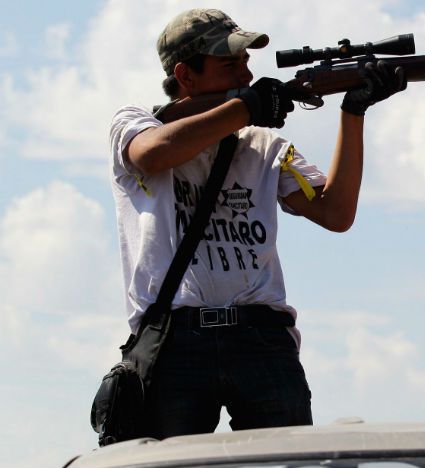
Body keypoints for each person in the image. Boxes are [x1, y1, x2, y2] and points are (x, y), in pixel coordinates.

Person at [108, 8, 406, 438]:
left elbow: (336, 213)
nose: (246, 76)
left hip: (261, 337)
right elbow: (153, 154)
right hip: (175, 339)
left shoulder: (265, 145)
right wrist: (247, 108)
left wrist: (353, 112)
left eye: (246, 63)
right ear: (185, 76)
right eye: (230, 65)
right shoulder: (136, 123)